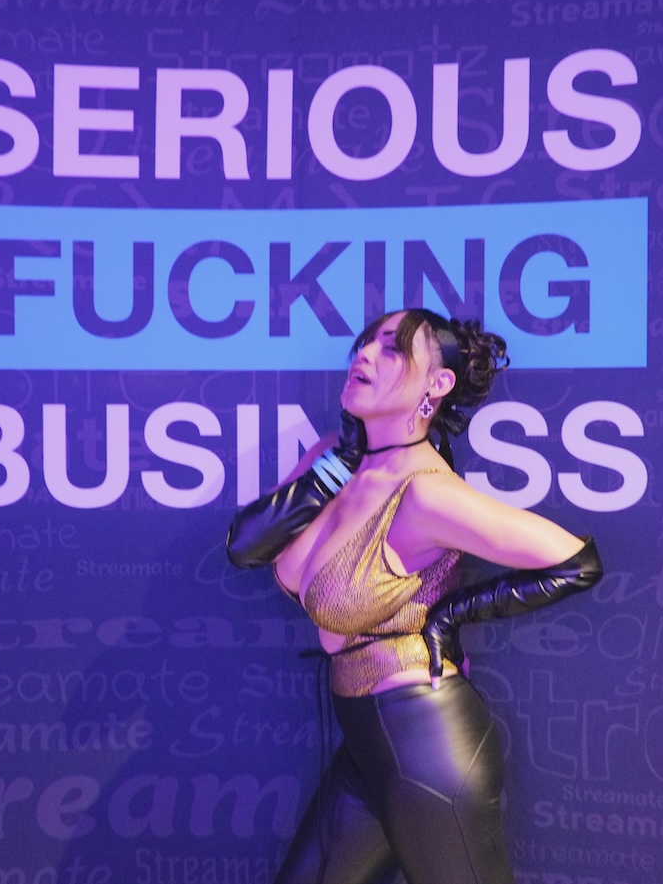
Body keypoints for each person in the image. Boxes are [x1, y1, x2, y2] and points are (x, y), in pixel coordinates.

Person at [226, 309, 603, 884]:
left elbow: (577, 562)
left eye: (392, 348)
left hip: (424, 743)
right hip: (367, 744)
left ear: (438, 383)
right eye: (364, 344)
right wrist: (338, 464)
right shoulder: (335, 461)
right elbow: (245, 547)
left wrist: (451, 615)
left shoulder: (427, 495)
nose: (364, 355)